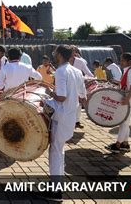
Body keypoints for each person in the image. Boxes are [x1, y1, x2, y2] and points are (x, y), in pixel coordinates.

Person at [39, 45, 85, 201]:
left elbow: (61, 97)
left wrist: (49, 92)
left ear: (59, 55)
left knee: (55, 152)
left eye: (55, 53)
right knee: (59, 149)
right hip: (71, 116)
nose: (53, 55)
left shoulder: (60, 71)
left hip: (61, 115)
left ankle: (55, 191)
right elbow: (82, 94)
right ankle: (56, 183)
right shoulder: (76, 71)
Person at [105, 53, 131, 153]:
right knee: (124, 123)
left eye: (123, 61)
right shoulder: (128, 71)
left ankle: (117, 145)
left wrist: (127, 99)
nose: (120, 62)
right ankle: (125, 144)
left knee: (123, 123)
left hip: (130, 100)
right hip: (128, 99)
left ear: (129, 62)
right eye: (121, 60)